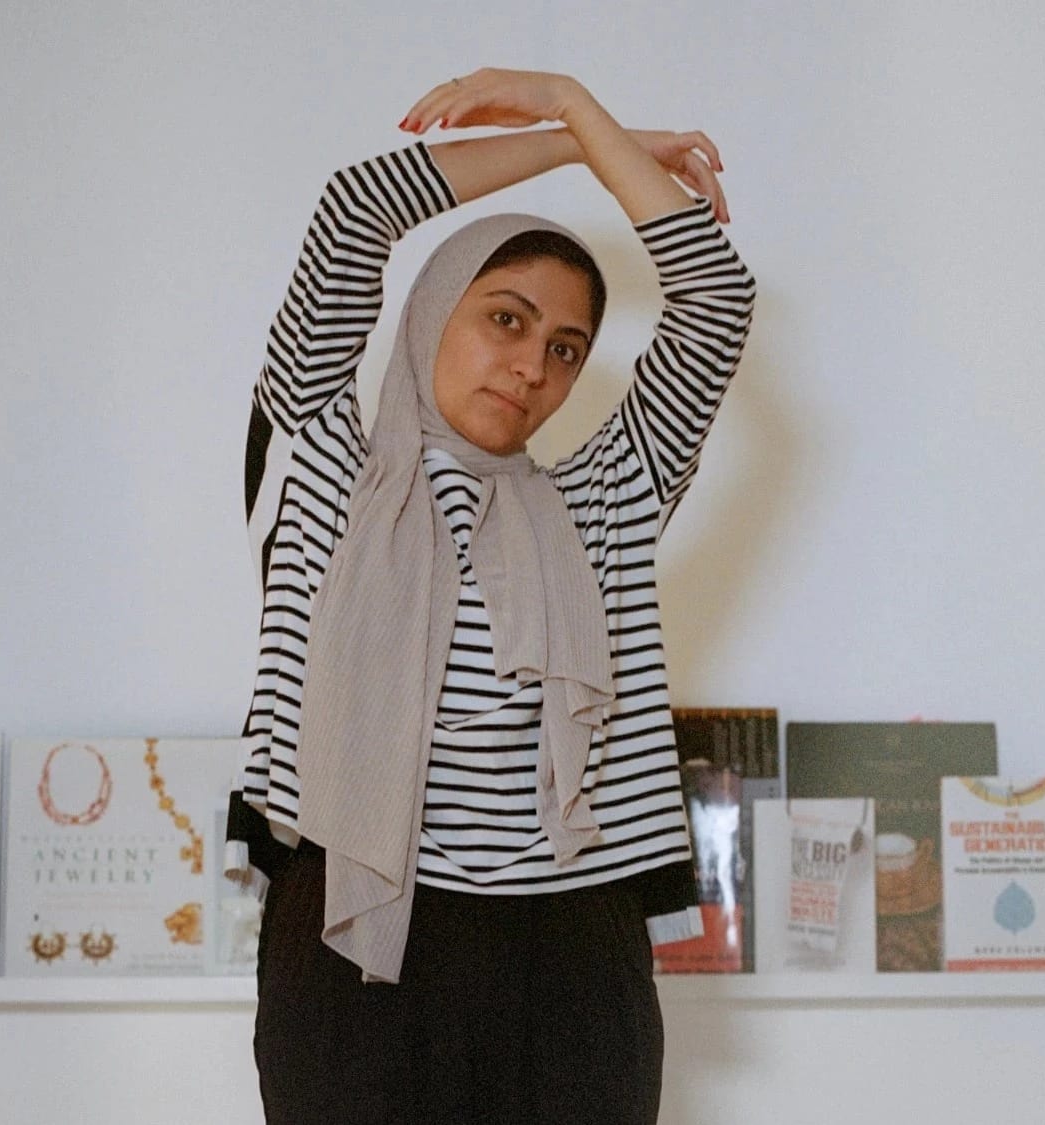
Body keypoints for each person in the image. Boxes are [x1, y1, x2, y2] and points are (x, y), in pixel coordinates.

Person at [224, 67, 755, 1125]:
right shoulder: (321, 458)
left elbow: (716, 300)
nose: (531, 367)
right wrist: (559, 137)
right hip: (352, 929)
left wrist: (591, 113)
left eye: (565, 349)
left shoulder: (604, 497)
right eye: (505, 320)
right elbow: (356, 209)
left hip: (570, 950)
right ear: (432, 313)